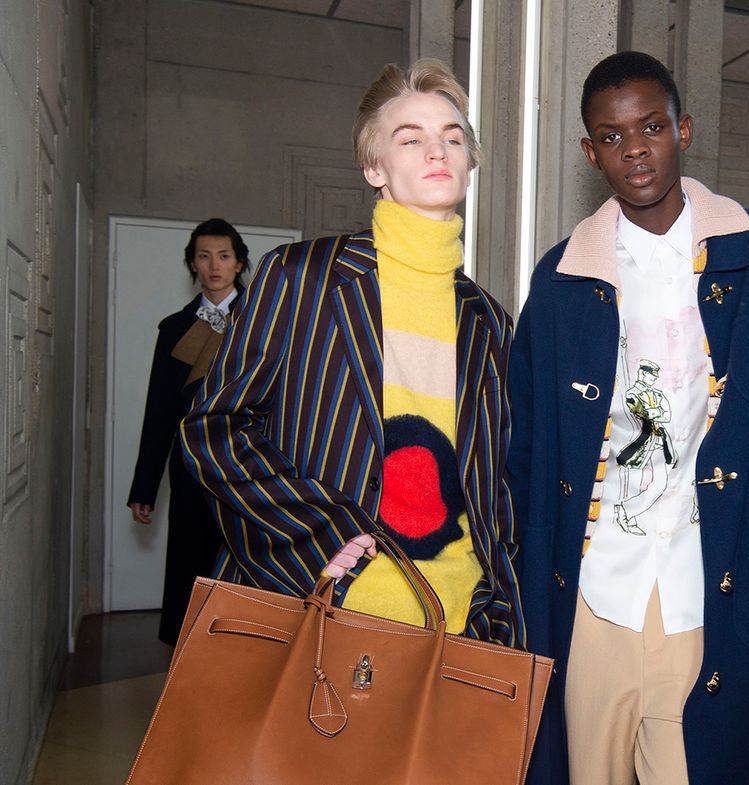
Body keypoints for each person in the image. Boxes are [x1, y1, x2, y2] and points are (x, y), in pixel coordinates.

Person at [509, 51, 749, 785]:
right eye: (611, 136)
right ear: (589, 152)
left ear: (684, 129)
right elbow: (524, 445)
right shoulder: (562, 279)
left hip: (716, 596)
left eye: (651, 127)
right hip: (597, 593)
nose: (634, 148)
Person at [180, 58, 522, 645]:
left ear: (470, 163)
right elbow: (214, 427)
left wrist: (498, 603)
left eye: (453, 138)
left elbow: (501, 479)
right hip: (320, 606)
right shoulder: (304, 276)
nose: (437, 152)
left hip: (456, 622)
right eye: (410, 139)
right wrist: (322, 536)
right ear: (374, 168)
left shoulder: (488, 318)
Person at [127, 218, 250, 645]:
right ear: (192, 265)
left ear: (238, 263)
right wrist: (145, 486)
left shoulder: (264, 321)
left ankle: (241, 650)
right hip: (191, 468)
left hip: (248, 467)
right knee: (189, 562)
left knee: (244, 562)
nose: (214, 265)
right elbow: (159, 411)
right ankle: (188, 655)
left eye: (223, 255)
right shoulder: (174, 328)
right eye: (203, 256)